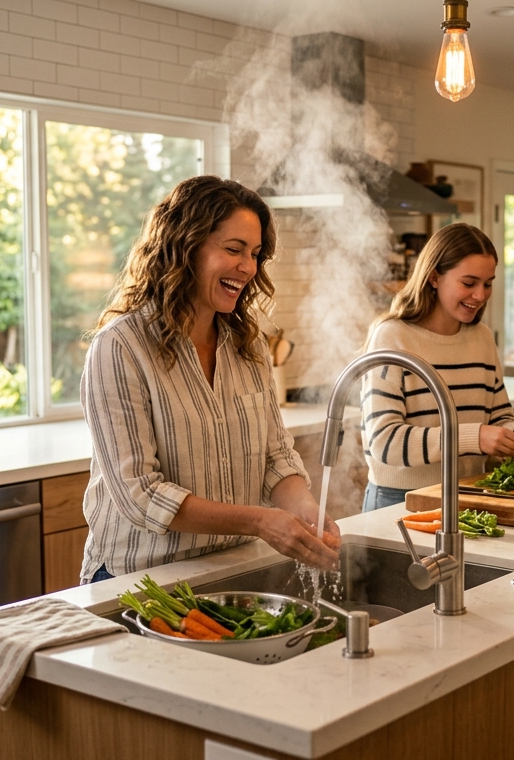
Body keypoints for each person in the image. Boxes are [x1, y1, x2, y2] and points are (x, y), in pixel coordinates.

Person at [79, 176, 339, 583]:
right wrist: (260, 521)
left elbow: (275, 457)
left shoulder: (248, 345)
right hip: (140, 578)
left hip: (228, 568)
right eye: (234, 249)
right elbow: (140, 494)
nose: (248, 267)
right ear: (185, 247)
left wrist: (306, 509)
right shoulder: (121, 347)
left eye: (255, 254)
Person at [360, 223, 514, 513]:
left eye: (488, 284)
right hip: (399, 499)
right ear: (434, 277)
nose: (480, 295)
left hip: (468, 493)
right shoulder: (392, 337)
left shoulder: (481, 338)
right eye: (469, 283)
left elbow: (498, 417)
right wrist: (475, 437)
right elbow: (384, 442)